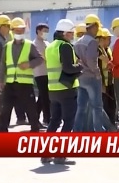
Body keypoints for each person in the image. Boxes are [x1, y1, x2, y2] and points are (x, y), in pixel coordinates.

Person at [42, 19, 83, 165]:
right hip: (67, 89)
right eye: (71, 33)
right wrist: (79, 67)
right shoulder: (65, 46)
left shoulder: (50, 46)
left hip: (53, 90)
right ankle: (60, 155)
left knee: (54, 121)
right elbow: (68, 68)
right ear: (65, 33)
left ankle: (46, 154)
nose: (73, 36)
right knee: (68, 122)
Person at [0, 17, 43, 133]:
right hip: (10, 83)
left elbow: (40, 59)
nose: (19, 33)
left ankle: (35, 129)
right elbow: (3, 64)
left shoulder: (29, 45)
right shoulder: (7, 46)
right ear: (12, 31)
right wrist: (0, 80)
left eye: (21, 30)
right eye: (17, 30)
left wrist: (29, 64)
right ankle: (2, 130)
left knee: (31, 109)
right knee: (6, 108)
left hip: (25, 84)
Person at [73, 14, 113, 132]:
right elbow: (91, 61)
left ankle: (76, 132)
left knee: (81, 108)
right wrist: (97, 74)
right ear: (94, 26)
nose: (97, 31)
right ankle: (99, 132)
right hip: (91, 78)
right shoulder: (92, 42)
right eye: (97, 28)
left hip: (81, 77)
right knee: (97, 107)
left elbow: (76, 60)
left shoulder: (78, 42)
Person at [0, 15, 26, 127]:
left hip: (1, 75)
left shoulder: (1, 39)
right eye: (6, 26)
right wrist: (0, 78)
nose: (8, 28)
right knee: (0, 100)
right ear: (0, 26)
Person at [97, 28, 117, 126]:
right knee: (105, 106)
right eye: (108, 39)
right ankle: (107, 126)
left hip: (110, 82)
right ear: (102, 39)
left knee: (112, 105)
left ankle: (112, 124)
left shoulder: (107, 50)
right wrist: (101, 84)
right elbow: (98, 68)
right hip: (103, 84)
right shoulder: (98, 51)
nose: (110, 41)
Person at [33, 23, 51, 127]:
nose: (46, 33)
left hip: (48, 72)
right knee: (45, 97)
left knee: (42, 96)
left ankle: (34, 118)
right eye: (44, 31)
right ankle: (47, 119)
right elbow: (42, 58)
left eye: (47, 31)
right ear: (38, 31)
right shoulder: (34, 44)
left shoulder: (47, 43)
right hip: (40, 73)